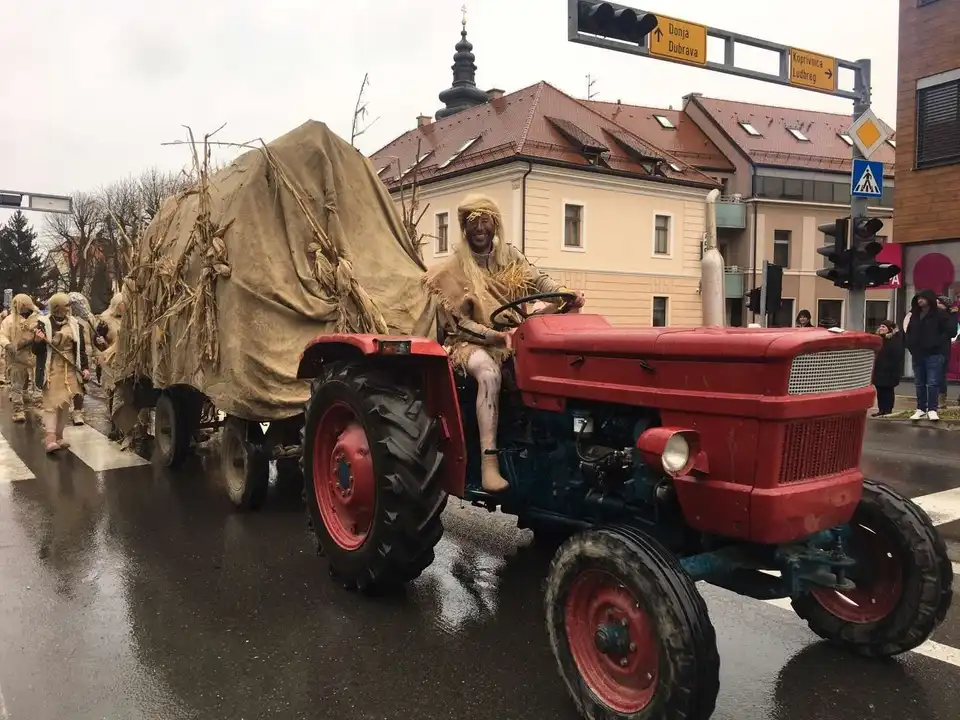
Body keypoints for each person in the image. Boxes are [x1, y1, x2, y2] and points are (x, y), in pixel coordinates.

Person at [422, 194, 584, 493]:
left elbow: (539, 282)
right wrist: (494, 336)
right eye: (473, 223)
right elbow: (457, 323)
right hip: (468, 343)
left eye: (485, 221)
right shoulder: (450, 271)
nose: (480, 229)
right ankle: (489, 464)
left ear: (495, 224)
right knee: (488, 372)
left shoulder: (510, 258)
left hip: (513, 336)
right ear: (464, 228)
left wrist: (563, 292)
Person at [33, 293, 90, 452]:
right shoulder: (43, 323)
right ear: (57, 307)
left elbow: (81, 350)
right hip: (51, 367)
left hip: (70, 367)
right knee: (51, 403)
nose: (69, 308)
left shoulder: (75, 325)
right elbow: (36, 351)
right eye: (66, 305)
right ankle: (50, 438)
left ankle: (59, 436)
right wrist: (37, 341)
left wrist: (85, 368)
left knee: (65, 403)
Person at [905, 289, 952, 421]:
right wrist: (910, 345)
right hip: (917, 353)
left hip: (934, 354)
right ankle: (920, 408)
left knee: (932, 383)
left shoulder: (940, 314)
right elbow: (908, 331)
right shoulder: (915, 314)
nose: (920, 300)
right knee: (919, 383)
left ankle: (932, 409)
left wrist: (937, 343)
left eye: (923, 298)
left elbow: (949, 331)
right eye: (918, 298)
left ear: (929, 299)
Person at [0, 294, 40, 423]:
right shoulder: (9, 320)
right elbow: (2, 334)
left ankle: (37, 401)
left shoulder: (37, 318)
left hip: (35, 355)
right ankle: (18, 410)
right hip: (16, 356)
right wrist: (8, 345)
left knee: (37, 380)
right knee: (16, 382)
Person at [94, 292, 125, 440]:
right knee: (113, 391)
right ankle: (115, 425)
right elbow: (97, 341)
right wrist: (100, 344)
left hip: (126, 358)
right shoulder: (105, 320)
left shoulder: (132, 317)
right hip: (110, 361)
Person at [68, 292, 94, 425]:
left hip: (84, 355)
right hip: (69, 356)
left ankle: (77, 410)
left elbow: (93, 337)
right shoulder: (66, 320)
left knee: (80, 383)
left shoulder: (88, 319)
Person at [872, 320, 903, 417]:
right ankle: (881, 410)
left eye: (884, 327)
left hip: (890, 370)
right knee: (880, 390)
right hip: (879, 369)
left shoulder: (895, 340)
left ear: (890, 329)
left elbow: (897, 355)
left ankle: (888, 410)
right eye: (880, 326)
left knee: (888, 390)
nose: (881, 329)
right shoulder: (878, 339)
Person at [936, 296, 958, 409]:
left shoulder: (950, 317)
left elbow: (952, 332)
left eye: (939, 303)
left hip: (942, 350)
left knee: (940, 376)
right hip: (931, 350)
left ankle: (941, 400)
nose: (936, 304)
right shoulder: (932, 315)